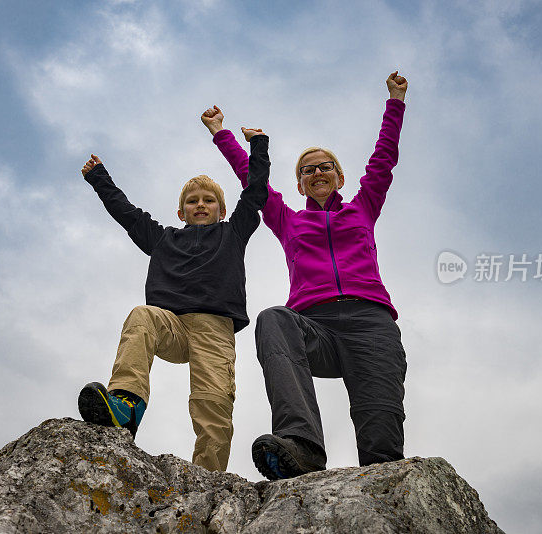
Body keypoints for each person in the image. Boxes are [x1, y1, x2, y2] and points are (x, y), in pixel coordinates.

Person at [201, 71, 408, 479]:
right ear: (298, 184)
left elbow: (384, 157)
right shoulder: (288, 220)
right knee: (274, 318)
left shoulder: (363, 207)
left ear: (340, 177)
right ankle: (302, 446)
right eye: (307, 171)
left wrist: (395, 101)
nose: (317, 173)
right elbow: (251, 180)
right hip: (317, 327)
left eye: (325, 167)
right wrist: (222, 134)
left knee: (382, 455)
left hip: (371, 326)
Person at [77, 126, 270, 472]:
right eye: (192, 201)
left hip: (214, 329)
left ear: (222, 210)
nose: (200, 205)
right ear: (180, 212)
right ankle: (126, 405)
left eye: (208, 200)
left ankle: (208, 476)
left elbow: (256, 193)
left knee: (212, 401)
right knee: (142, 316)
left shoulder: (233, 232)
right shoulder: (163, 239)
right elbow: (127, 214)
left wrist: (257, 145)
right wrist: (99, 178)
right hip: (172, 325)